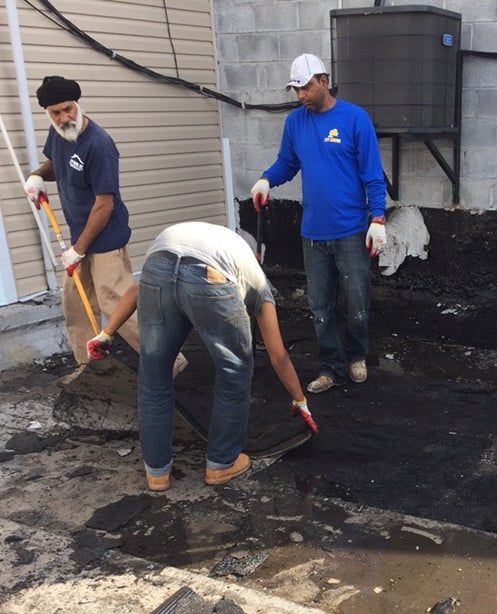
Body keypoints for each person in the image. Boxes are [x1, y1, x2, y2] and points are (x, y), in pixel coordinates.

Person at [95, 221, 318, 492]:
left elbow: (136, 289)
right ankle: (221, 464)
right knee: (234, 369)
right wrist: (300, 400)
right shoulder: (258, 282)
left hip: (158, 263)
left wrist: (106, 334)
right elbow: (278, 354)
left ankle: (157, 473)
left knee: (154, 372)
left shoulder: (221, 242)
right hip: (209, 276)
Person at [250, 53, 387, 394]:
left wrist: (378, 218)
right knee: (321, 306)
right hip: (313, 232)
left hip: (351, 230)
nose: (300, 95)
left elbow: (373, 174)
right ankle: (331, 366)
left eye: (306, 87)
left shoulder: (355, 119)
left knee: (356, 302)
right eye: (296, 89)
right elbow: (287, 162)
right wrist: (267, 179)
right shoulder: (296, 123)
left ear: (324, 81)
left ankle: (356, 356)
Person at [23, 76, 147, 384]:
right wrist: (37, 176)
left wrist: (78, 250)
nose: (64, 118)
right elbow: (55, 164)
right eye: (56, 113)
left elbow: (104, 205)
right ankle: (88, 373)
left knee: (117, 304)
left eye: (68, 109)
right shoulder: (59, 135)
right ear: (48, 113)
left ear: (77, 104)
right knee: (76, 306)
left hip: (104, 238)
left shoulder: (99, 145)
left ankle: (168, 364)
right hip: (79, 236)